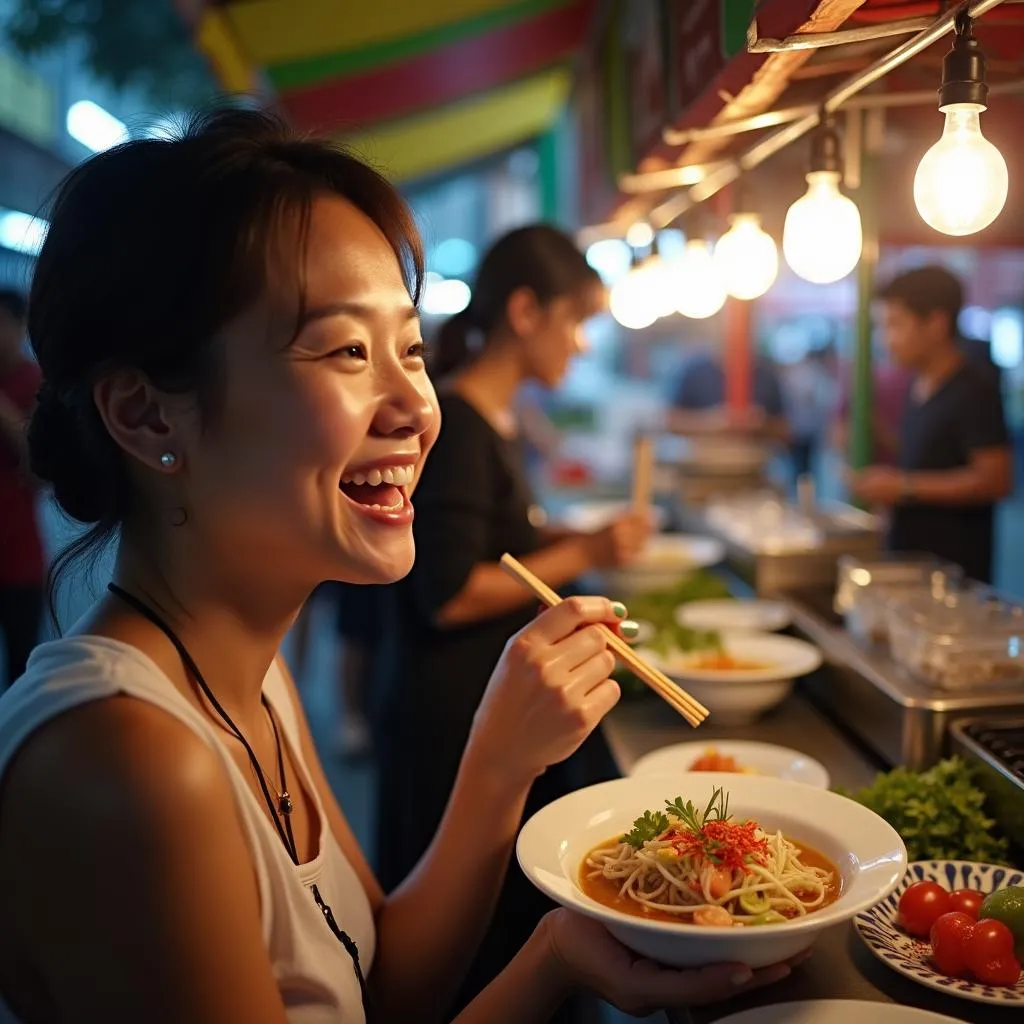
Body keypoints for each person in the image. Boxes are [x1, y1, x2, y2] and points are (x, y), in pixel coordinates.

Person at [0, 110, 798, 1024]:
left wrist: (544, 913)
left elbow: (381, 990)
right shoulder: (128, 764)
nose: (416, 407)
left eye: (410, 349)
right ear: (146, 417)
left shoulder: (248, 686)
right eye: (345, 349)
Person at [371, 225, 656, 1019]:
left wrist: (568, 540)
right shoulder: (459, 418)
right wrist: (589, 548)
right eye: (575, 322)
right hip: (450, 720)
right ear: (526, 312)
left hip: (476, 710)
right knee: (465, 944)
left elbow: (501, 538)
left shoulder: (488, 415)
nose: (579, 343)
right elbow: (451, 587)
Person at [850, 266, 1013, 582]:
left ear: (936, 324)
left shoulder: (974, 389)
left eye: (895, 325)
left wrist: (903, 487)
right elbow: (934, 453)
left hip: (954, 574)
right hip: (912, 560)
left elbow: (996, 479)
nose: (886, 339)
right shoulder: (919, 383)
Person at [0, 288, 44, 687]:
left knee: (21, 677)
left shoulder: (34, 383)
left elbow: (39, 467)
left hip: (20, 562)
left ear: (18, 325)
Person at [667, 347, 790, 443]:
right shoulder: (694, 372)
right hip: (701, 461)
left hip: (756, 464)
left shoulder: (766, 375)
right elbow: (671, 422)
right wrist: (712, 422)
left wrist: (761, 423)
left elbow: (786, 431)